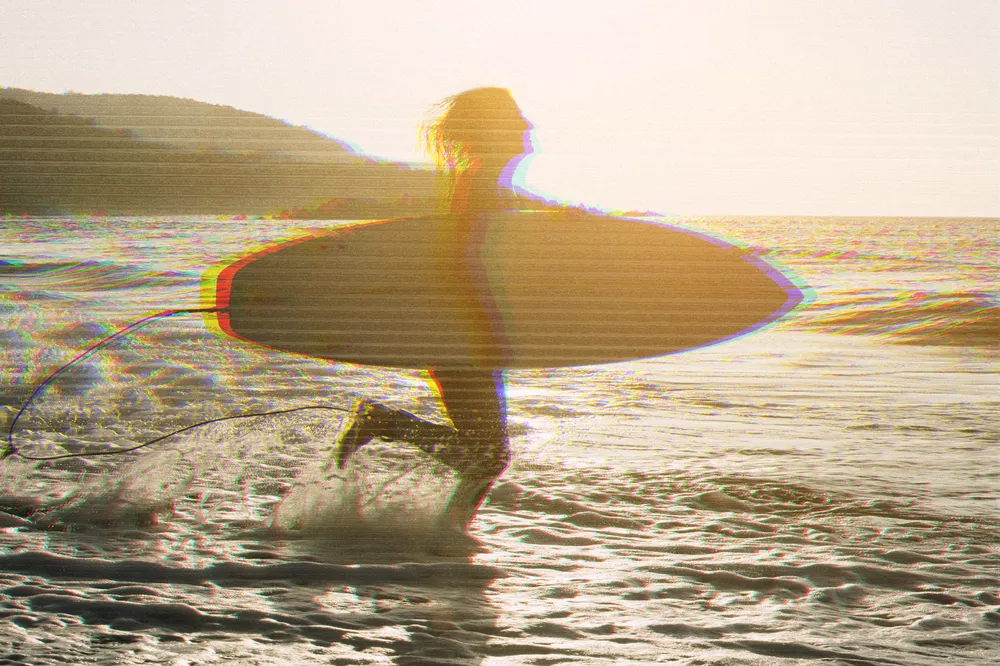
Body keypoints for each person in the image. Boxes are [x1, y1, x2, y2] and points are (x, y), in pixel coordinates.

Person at [333, 87, 534, 531]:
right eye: (516, 117)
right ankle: (385, 423)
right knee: (488, 455)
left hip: (465, 334)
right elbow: (458, 263)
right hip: (460, 337)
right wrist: (485, 331)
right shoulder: (477, 185)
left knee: (487, 454)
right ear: (493, 130)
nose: (527, 125)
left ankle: (451, 535)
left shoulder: (486, 186)